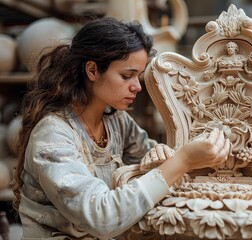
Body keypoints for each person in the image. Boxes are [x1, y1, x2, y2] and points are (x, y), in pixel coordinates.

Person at [12, 17, 230, 239]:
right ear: (93, 70)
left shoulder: (117, 122)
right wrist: (182, 161)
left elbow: (148, 163)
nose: (137, 86)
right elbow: (101, 218)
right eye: (127, 76)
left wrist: (159, 157)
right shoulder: (53, 135)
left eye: (138, 76)